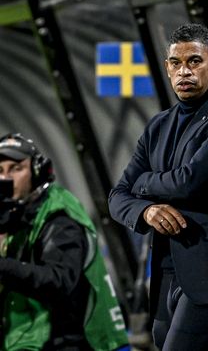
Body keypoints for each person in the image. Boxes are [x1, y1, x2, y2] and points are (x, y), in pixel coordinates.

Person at [108, 23, 208, 350]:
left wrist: (143, 182)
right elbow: (117, 197)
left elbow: (189, 183)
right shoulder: (158, 125)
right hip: (170, 269)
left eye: (194, 61)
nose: (184, 71)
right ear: (167, 68)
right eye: (175, 63)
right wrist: (147, 209)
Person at [0, 133, 129, 351]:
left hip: (75, 340)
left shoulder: (60, 219)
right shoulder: (14, 213)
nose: (6, 179)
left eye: (16, 168)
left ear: (37, 172)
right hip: (30, 336)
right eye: (0, 171)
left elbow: (59, 282)